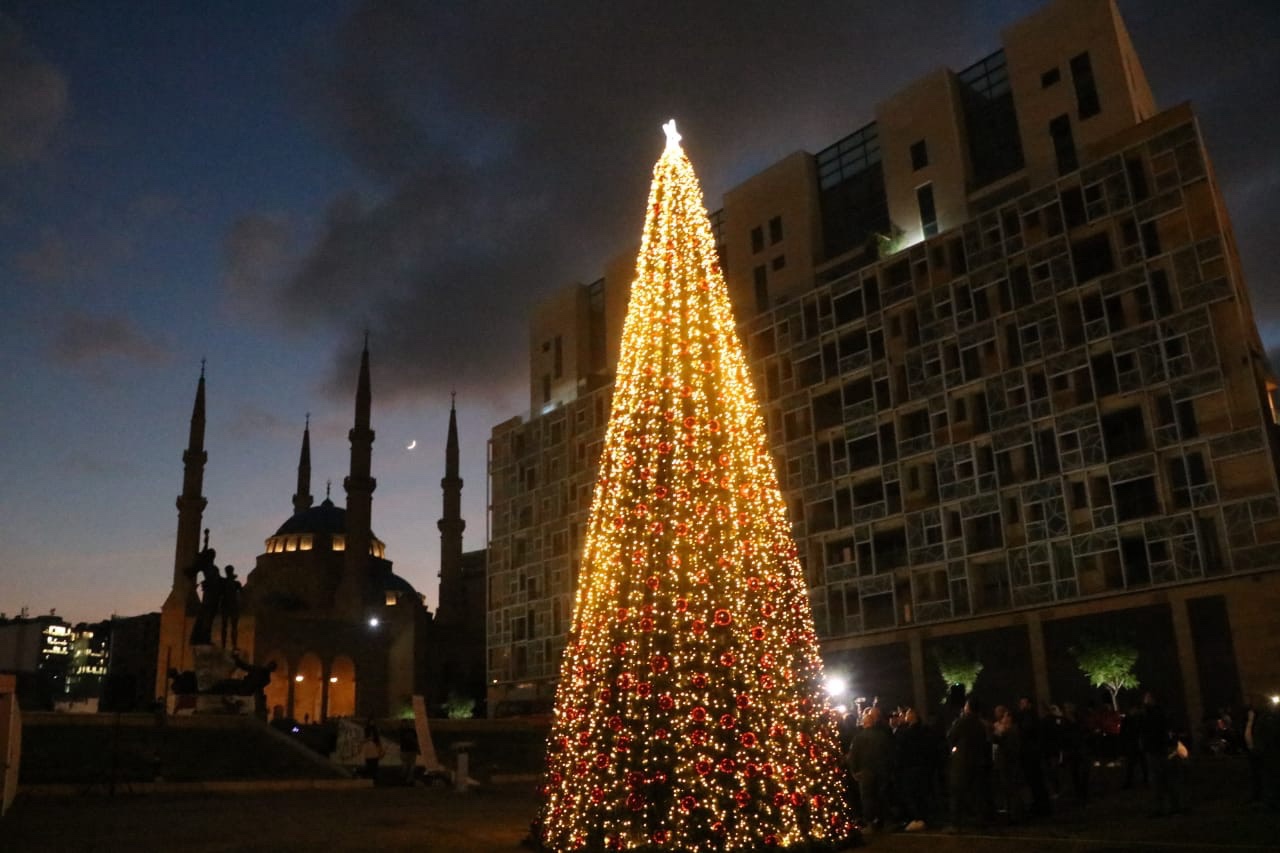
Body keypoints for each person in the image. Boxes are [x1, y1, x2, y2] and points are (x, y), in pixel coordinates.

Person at [947, 696, 990, 832]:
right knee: (976, 793)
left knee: (957, 793)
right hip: (977, 761)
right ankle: (980, 820)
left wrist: (954, 747)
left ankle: (956, 824)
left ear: (968, 708)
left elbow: (951, 736)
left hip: (962, 761)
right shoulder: (980, 723)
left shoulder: (962, 721)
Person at [847, 706, 893, 832]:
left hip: (865, 772)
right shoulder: (882, 735)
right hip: (881, 770)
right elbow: (888, 753)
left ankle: (870, 822)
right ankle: (883, 821)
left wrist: (854, 771)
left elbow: (853, 755)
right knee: (881, 796)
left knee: (867, 798)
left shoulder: (858, 738)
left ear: (864, 723)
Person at [893, 707, 931, 832]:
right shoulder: (924, 730)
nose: (904, 716)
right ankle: (921, 817)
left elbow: (901, 750)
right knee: (919, 793)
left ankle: (918, 818)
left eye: (907, 714)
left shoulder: (909, 733)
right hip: (921, 766)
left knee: (912, 794)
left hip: (910, 767)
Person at [990, 705, 1023, 824]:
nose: (1003, 718)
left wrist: (999, 731)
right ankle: (1010, 811)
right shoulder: (1008, 729)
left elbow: (997, 740)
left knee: (1011, 788)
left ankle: (1014, 814)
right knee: (1007, 788)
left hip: (1009, 762)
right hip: (1005, 762)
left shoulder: (1011, 730)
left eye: (1004, 716)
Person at [220, 565, 242, 649]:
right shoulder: (224, 583)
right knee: (226, 626)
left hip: (232, 606)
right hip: (227, 606)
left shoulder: (236, 584)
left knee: (233, 627)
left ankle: (233, 645)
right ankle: (224, 645)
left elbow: (241, 594)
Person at [398, 719, 420, 784]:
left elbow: (401, 739)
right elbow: (416, 739)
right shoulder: (412, 730)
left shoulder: (401, 731)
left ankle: (404, 777)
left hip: (405, 750)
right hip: (412, 750)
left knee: (406, 765)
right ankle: (409, 778)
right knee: (411, 765)